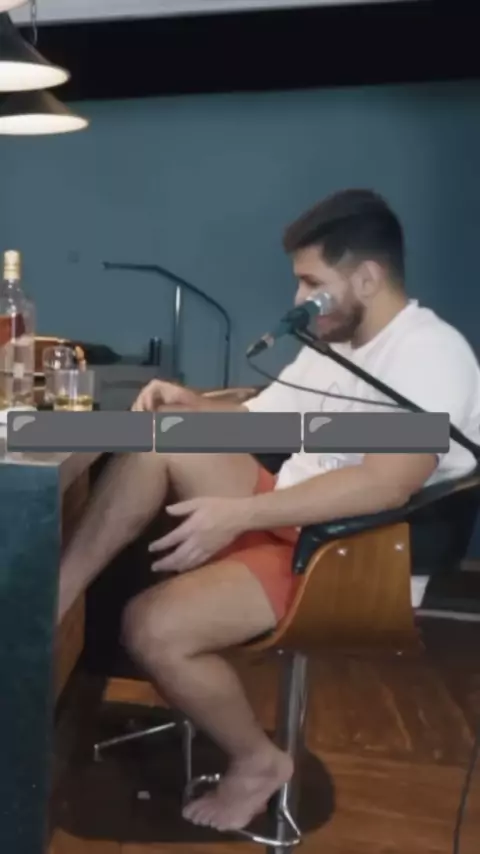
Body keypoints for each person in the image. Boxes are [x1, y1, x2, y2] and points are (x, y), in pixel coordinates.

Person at [58, 188, 480, 833]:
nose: (298, 297)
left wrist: (237, 516)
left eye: (311, 282)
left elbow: (384, 484)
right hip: (293, 510)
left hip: (350, 550)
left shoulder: (429, 354)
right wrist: (193, 406)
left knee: (152, 628)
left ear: (367, 278)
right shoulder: (337, 341)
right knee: (159, 439)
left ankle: (257, 761)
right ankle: (58, 597)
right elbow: (262, 417)